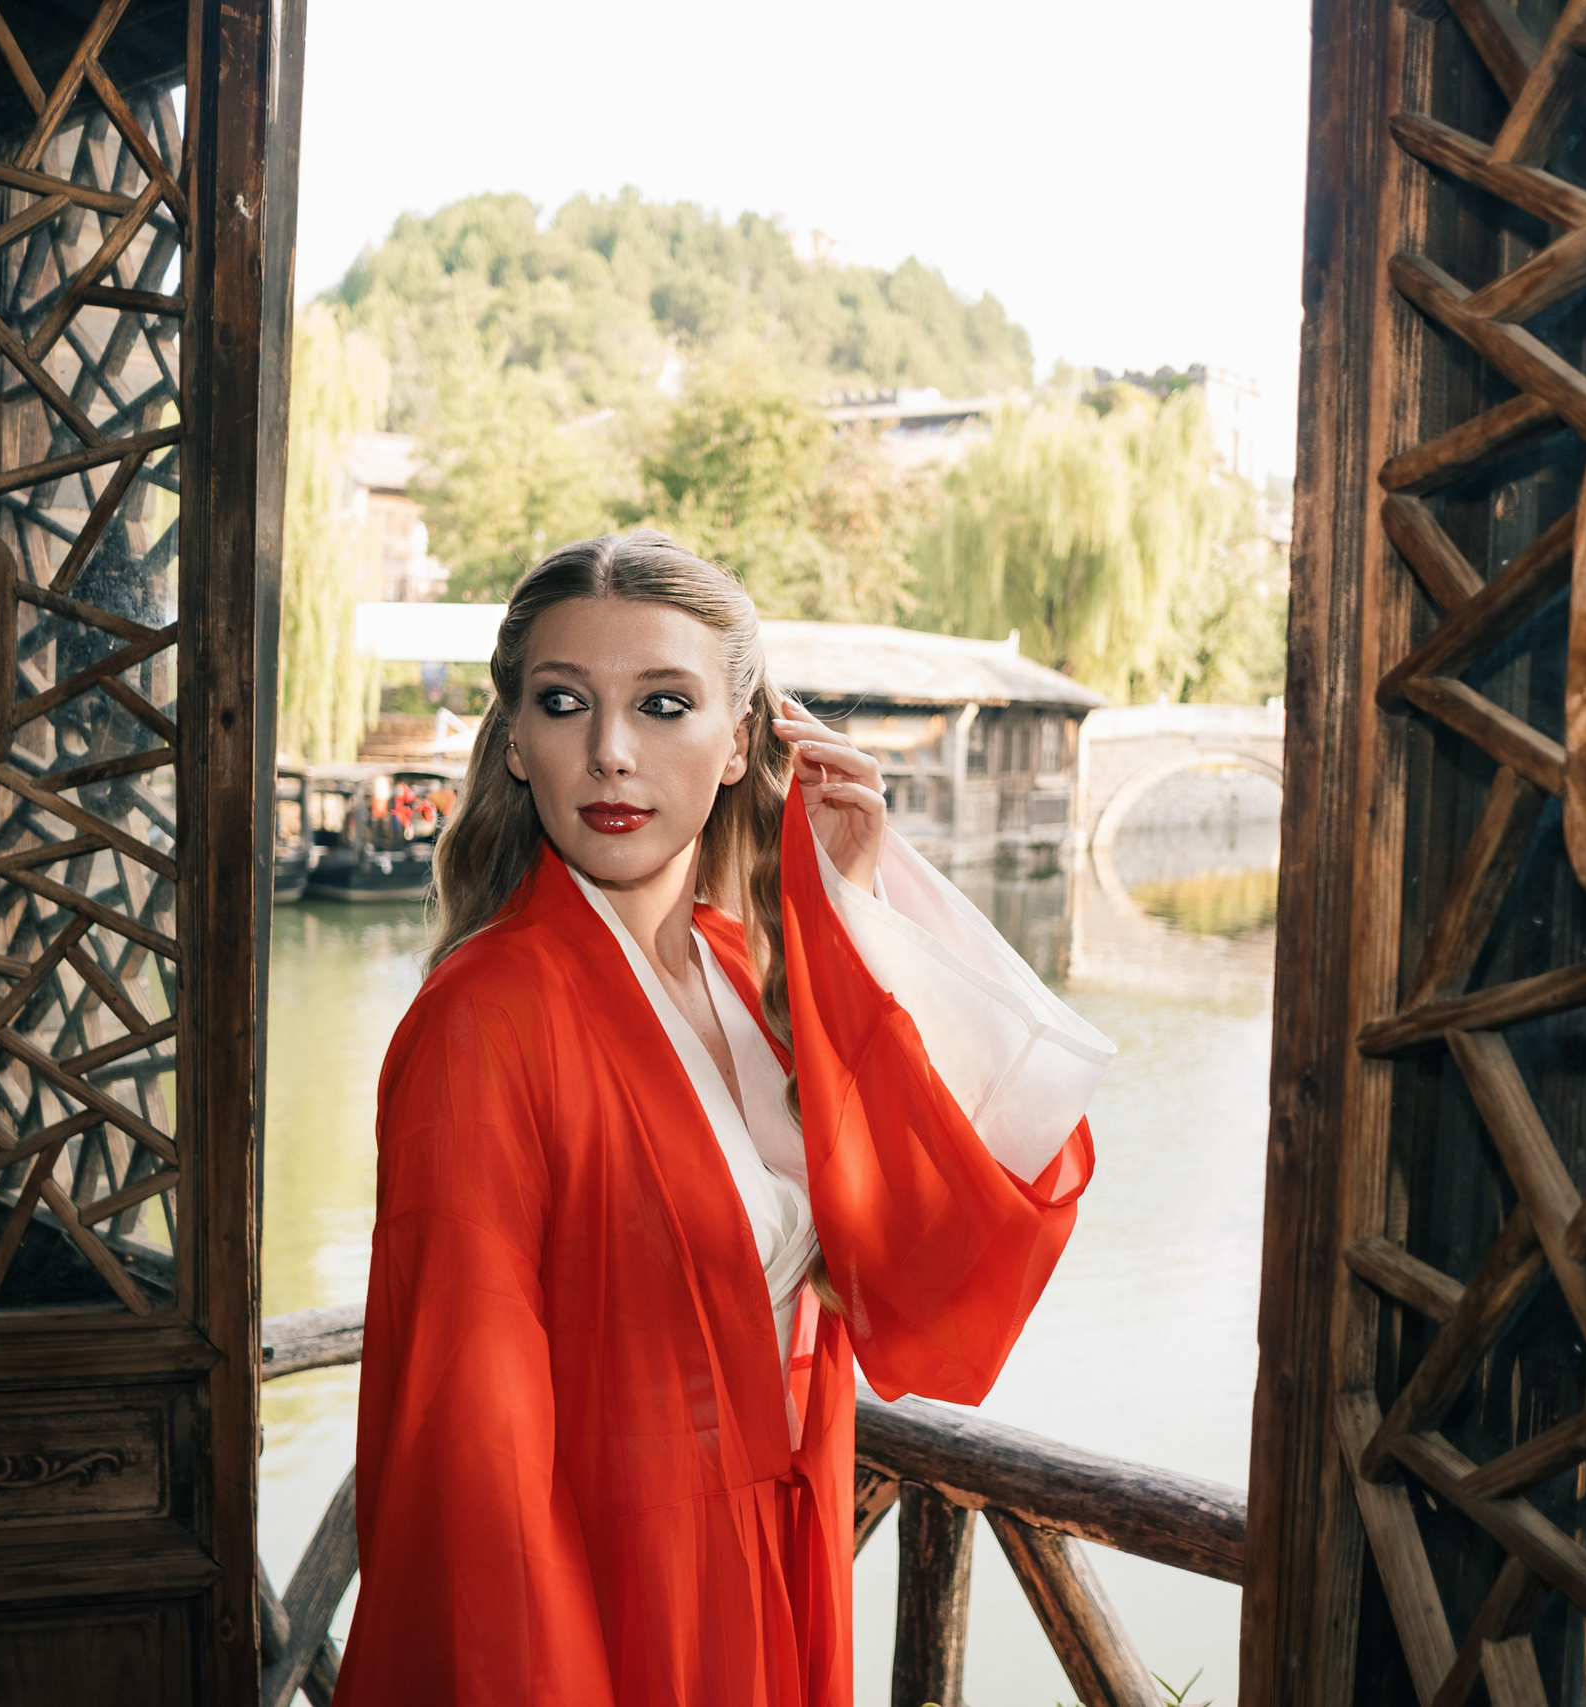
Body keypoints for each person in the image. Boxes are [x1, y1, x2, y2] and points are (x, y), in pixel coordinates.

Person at [335, 532, 1112, 1706]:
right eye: (563, 705)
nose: (610, 754)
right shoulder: (484, 1022)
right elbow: (470, 1456)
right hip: (600, 1599)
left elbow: (952, 1237)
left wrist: (853, 898)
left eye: (662, 704)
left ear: (740, 739)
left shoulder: (748, 975)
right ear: (515, 743)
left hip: (779, 1558)